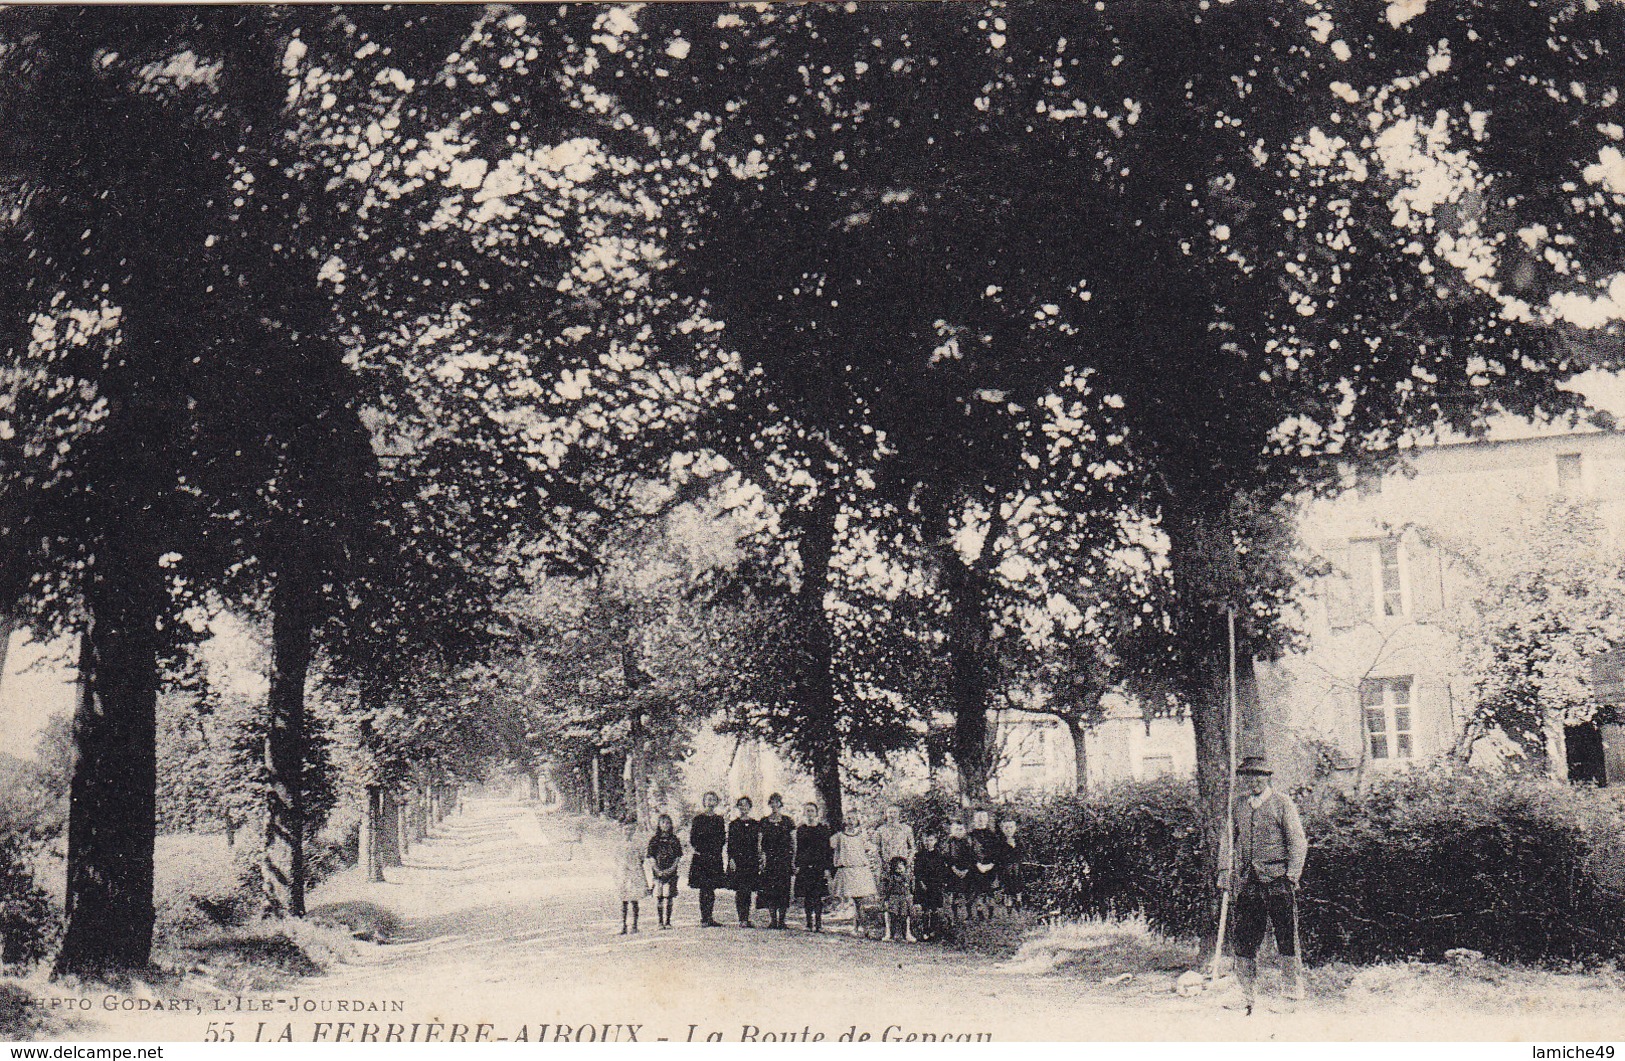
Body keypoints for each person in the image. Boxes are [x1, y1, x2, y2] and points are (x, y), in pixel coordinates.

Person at [1218, 755, 1309, 1014]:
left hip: (1278, 881)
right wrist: (1224, 869)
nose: (1254, 781)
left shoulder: (1282, 803)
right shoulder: (1238, 806)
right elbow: (1228, 838)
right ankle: (1245, 994)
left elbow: (1297, 841)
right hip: (1248, 882)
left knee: (1285, 936)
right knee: (1245, 938)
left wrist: (1292, 875)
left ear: (1268, 778)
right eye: (1248, 776)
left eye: (1259, 776)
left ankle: (1291, 993)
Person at [830, 811, 877, 937]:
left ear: (857, 821)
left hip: (859, 870)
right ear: (845, 820)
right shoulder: (839, 836)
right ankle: (859, 927)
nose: (851, 821)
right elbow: (832, 845)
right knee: (854, 902)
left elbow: (871, 848)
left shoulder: (862, 835)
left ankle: (862, 928)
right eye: (848, 818)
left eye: (854, 819)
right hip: (847, 870)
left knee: (859, 901)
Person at [757, 794, 796, 929]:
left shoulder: (788, 821)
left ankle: (782, 920)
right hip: (769, 860)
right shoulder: (764, 821)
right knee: (770, 889)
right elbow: (760, 842)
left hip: (784, 859)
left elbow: (793, 841)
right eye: (772, 803)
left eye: (777, 802)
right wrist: (761, 857)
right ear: (769, 804)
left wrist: (793, 860)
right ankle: (773, 920)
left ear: (781, 804)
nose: (774, 805)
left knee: (784, 889)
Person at [688, 792, 727, 927]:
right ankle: (704, 918)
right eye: (708, 799)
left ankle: (710, 917)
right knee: (703, 887)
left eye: (713, 799)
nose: (710, 802)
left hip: (714, 857)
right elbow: (693, 838)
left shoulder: (719, 819)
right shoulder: (698, 819)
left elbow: (722, 838)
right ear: (704, 801)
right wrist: (701, 850)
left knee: (711, 888)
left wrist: (714, 851)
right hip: (701, 857)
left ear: (716, 802)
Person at [795, 802, 834, 931]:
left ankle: (818, 923)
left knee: (817, 895)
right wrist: (798, 865)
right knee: (807, 895)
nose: (809, 814)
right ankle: (808, 923)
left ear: (816, 813)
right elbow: (799, 849)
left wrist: (827, 868)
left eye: (812, 811)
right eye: (807, 811)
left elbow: (827, 850)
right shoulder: (801, 829)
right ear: (804, 813)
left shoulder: (823, 829)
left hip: (819, 865)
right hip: (806, 865)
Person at [726, 796, 763, 927]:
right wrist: (731, 859)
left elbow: (759, 842)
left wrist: (760, 857)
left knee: (748, 889)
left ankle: (746, 918)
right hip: (738, 860)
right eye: (741, 805)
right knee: (740, 890)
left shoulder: (756, 824)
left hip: (751, 860)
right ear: (738, 807)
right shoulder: (733, 824)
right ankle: (741, 918)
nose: (743, 807)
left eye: (746, 805)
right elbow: (730, 844)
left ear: (750, 807)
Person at [647, 813, 684, 930]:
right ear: (658, 824)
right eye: (663, 823)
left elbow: (678, 857)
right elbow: (651, 856)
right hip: (658, 872)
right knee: (659, 896)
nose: (665, 825)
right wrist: (656, 869)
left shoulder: (674, 840)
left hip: (671, 872)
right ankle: (660, 921)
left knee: (669, 895)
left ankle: (668, 921)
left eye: (668, 823)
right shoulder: (654, 840)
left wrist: (672, 869)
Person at [912, 828, 950, 941]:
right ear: (923, 841)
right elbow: (917, 872)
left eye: (931, 840)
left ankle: (933, 931)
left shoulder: (939, 855)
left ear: (935, 841)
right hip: (923, 885)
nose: (929, 842)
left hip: (935, 885)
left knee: (934, 909)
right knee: (925, 909)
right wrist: (922, 883)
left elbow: (942, 871)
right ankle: (925, 931)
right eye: (926, 840)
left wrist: (941, 883)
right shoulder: (919, 855)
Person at [614, 818, 649, 935]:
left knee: (634, 899)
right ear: (622, 830)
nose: (628, 832)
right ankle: (623, 925)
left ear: (634, 830)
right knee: (623, 900)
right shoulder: (619, 845)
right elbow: (617, 860)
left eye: (631, 829)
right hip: (623, 873)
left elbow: (642, 858)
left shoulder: (637, 844)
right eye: (626, 829)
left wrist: (635, 867)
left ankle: (634, 925)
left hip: (635, 873)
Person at [940, 819, 974, 927]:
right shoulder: (949, 842)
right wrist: (954, 869)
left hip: (965, 872)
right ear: (952, 831)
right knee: (953, 895)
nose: (959, 831)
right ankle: (953, 917)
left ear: (964, 831)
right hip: (952, 872)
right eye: (956, 829)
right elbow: (946, 857)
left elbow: (971, 857)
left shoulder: (967, 842)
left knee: (967, 893)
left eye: (961, 829)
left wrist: (966, 870)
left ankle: (968, 915)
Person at [967, 809, 998, 923]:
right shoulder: (970, 836)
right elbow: (969, 852)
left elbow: (997, 852)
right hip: (976, 868)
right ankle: (979, 913)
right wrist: (977, 864)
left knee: (989, 891)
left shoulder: (993, 835)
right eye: (978, 818)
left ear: (987, 819)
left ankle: (991, 914)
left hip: (990, 867)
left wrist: (991, 864)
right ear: (974, 819)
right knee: (977, 891)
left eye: (983, 817)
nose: (981, 820)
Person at [992, 816, 1026, 916]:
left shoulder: (1019, 841)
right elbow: (997, 858)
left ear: (1015, 828)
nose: (1009, 830)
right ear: (1003, 829)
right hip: (1005, 870)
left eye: (1011, 827)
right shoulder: (1000, 843)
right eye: (1006, 828)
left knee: (1018, 890)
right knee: (1007, 892)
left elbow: (1023, 854)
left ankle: (1019, 910)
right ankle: (1009, 913)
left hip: (1017, 870)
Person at [880, 855, 917, 943]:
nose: (899, 869)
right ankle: (891, 935)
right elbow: (887, 889)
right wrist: (886, 899)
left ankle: (906, 935)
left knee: (904, 917)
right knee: (893, 917)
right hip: (894, 898)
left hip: (904, 899)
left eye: (901, 866)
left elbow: (912, 889)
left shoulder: (908, 877)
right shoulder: (891, 878)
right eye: (897, 867)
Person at [876, 803, 916, 874]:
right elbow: (877, 849)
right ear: (886, 814)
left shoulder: (906, 829)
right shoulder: (880, 830)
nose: (892, 815)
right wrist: (882, 863)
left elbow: (912, 847)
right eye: (890, 812)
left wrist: (908, 861)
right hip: (886, 866)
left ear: (899, 814)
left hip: (903, 866)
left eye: (895, 812)